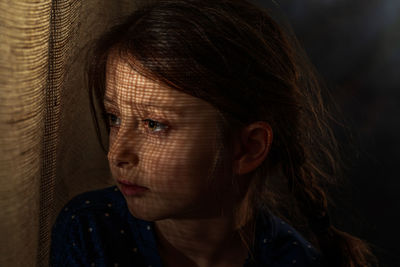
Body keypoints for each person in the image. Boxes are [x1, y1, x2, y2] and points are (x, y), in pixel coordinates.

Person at [50, 0, 377, 266]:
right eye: (114, 118)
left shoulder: (294, 261)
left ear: (247, 149)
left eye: (155, 124)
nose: (117, 153)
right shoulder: (93, 229)